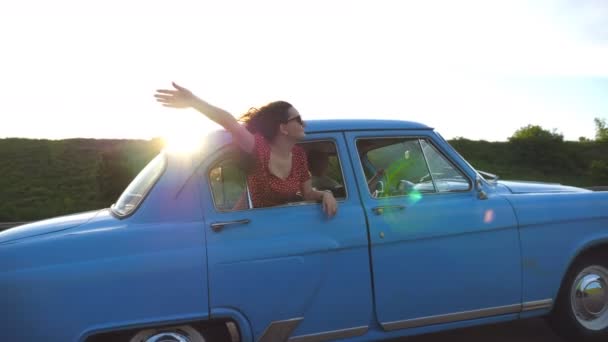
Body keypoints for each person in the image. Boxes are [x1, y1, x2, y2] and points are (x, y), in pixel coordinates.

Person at [154, 82, 337, 217]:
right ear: (283, 128)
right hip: (250, 227)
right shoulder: (260, 149)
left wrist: (326, 194)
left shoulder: (298, 156)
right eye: (298, 119)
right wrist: (193, 101)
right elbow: (229, 121)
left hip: (281, 225)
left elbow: (308, 193)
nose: (303, 123)